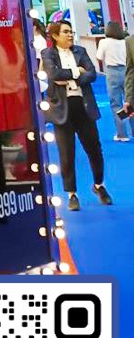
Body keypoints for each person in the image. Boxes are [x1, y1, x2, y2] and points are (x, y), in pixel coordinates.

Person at [42, 20, 111, 212]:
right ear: (55, 36)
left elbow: (92, 74)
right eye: (65, 32)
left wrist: (70, 77)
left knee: (94, 149)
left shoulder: (81, 51)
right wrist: (76, 72)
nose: (70, 35)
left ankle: (99, 185)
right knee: (66, 154)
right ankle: (71, 193)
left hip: (84, 107)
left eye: (71, 31)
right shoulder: (48, 54)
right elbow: (54, 75)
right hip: (61, 110)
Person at [97, 21, 130, 142]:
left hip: (112, 72)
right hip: (126, 71)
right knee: (130, 102)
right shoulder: (125, 41)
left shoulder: (104, 42)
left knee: (116, 104)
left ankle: (122, 134)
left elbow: (99, 57)